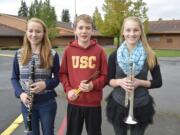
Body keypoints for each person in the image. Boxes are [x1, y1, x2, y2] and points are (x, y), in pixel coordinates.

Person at [106, 16, 162, 135]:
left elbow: (158, 81)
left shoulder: (150, 55)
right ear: (123, 32)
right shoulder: (114, 55)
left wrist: (140, 82)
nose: (132, 34)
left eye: (136, 30)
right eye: (128, 30)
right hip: (118, 104)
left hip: (141, 106)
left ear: (141, 32)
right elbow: (108, 80)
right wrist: (119, 82)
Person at [59, 14, 108, 135]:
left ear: (92, 30)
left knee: (94, 132)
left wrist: (93, 85)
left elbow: (105, 76)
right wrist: (69, 90)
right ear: (75, 30)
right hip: (74, 102)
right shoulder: (68, 50)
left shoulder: (100, 51)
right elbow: (63, 74)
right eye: (80, 28)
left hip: (93, 103)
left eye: (87, 28)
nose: (84, 31)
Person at [11, 18, 60, 135]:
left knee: (48, 132)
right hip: (27, 103)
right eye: (30, 31)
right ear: (26, 32)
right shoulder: (19, 54)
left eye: (38, 31)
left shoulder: (52, 54)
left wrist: (45, 84)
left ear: (43, 33)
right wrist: (21, 94)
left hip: (47, 102)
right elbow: (14, 78)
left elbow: (58, 78)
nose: (34, 34)